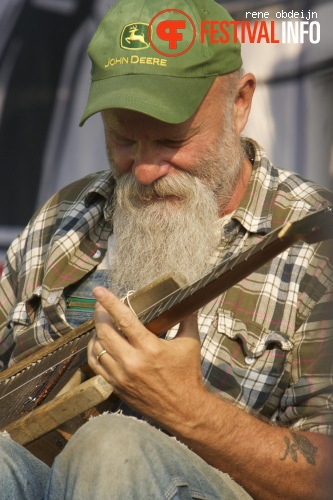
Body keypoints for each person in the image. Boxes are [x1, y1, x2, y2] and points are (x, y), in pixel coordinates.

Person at [0, 0, 332, 498]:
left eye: (171, 140)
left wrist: (188, 409)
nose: (146, 169)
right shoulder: (66, 216)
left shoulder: (316, 243)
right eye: (124, 139)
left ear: (239, 103)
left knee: (110, 448)